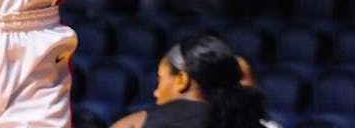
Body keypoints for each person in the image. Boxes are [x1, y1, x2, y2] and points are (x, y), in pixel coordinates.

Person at [109, 33, 273, 128]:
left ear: (182, 80)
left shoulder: (137, 123)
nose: (156, 92)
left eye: (161, 79)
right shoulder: (258, 124)